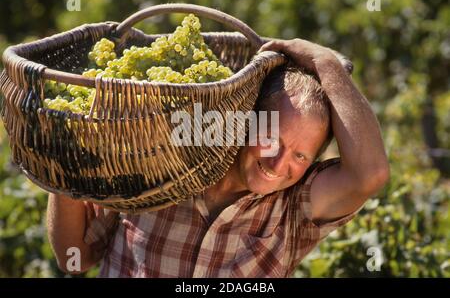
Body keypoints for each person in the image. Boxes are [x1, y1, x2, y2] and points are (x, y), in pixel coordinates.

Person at [47, 38, 389, 277]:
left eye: (300, 155)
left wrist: (325, 63)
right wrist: (67, 164)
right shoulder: (160, 160)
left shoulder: (295, 207)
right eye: (270, 137)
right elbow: (73, 259)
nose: (277, 163)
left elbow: (370, 174)